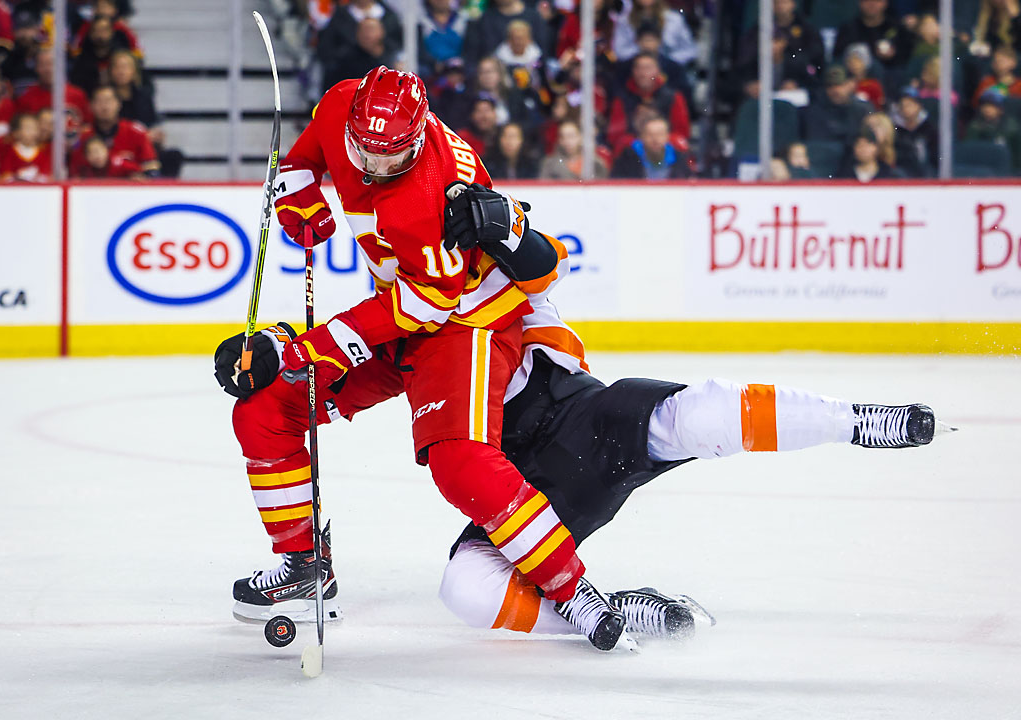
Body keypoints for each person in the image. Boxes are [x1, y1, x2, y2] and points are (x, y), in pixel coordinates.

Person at [218, 182, 942, 646]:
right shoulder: (404, 343)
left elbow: (539, 260)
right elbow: (320, 386)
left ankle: (856, 419)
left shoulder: (500, 284)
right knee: (463, 590)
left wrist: (500, 221)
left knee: (701, 413)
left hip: (589, 424)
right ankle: (604, 605)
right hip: (524, 494)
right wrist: (273, 358)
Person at [216, 66, 629, 651]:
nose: (373, 169)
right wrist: (300, 196)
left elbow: (422, 308)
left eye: (393, 158)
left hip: (466, 319)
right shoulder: (341, 105)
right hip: (401, 304)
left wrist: (303, 346)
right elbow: (301, 157)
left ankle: (571, 590)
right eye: (364, 152)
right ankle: (304, 565)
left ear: (419, 134)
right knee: (264, 411)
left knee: (459, 464)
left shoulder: (431, 195)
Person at [606, 52, 690, 153]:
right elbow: (615, 136)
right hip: (632, 151)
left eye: (648, 68)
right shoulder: (621, 98)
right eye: (639, 68)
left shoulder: (673, 97)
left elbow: (682, 133)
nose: (643, 73)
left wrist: (657, 141)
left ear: (657, 71)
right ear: (633, 71)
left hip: (666, 149)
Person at [69, 84, 159, 178]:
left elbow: (152, 169)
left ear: (119, 104)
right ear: (91, 106)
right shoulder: (82, 137)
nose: (104, 107)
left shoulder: (136, 132)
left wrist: (140, 177)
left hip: (129, 190)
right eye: (99, 101)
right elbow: (74, 174)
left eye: (108, 101)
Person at [834, 0, 916, 72]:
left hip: (892, 76)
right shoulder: (848, 29)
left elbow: (909, 56)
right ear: (859, 2)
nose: (872, 4)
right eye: (867, 0)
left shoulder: (897, 27)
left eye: (877, 0)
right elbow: (838, 57)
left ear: (885, 2)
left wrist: (894, 55)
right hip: (855, 79)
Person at [804, 65, 874, 145]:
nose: (835, 90)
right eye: (830, 86)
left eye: (839, 85)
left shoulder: (862, 110)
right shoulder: (815, 112)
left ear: (851, 85)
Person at [610, 115, 691, 179]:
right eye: (650, 135)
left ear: (667, 136)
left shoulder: (679, 158)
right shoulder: (627, 158)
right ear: (641, 137)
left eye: (660, 134)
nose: (655, 139)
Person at [965, 89, 1021, 173]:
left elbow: (1017, 156)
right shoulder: (975, 126)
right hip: (981, 171)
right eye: (984, 105)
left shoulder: (1012, 127)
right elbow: (969, 150)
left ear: (1001, 109)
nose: (987, 109)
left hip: (1008, 172)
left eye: (992, 105)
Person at [539, 118, 609, 180]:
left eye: (571, 136)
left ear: (580, 137)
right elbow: (544, 189)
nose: (567, 141)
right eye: (562, 137)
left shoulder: (595, 164)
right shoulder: (550, 164)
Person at [893, 86, 938, 177]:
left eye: (909, 105)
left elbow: (936, 157)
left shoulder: (930, 128)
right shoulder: (895, 129)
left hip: (927, 172)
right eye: (902, 106)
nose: (906, 109)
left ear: (918, 105)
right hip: (902, 173)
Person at [0, 110, 50, 181]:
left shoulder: (43, 153)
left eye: (35, 128)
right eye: (28, 128)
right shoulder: (8, 151)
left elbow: (45, 176)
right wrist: (19, 176)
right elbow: (4, 175)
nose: (32, 132)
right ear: (16, 132)